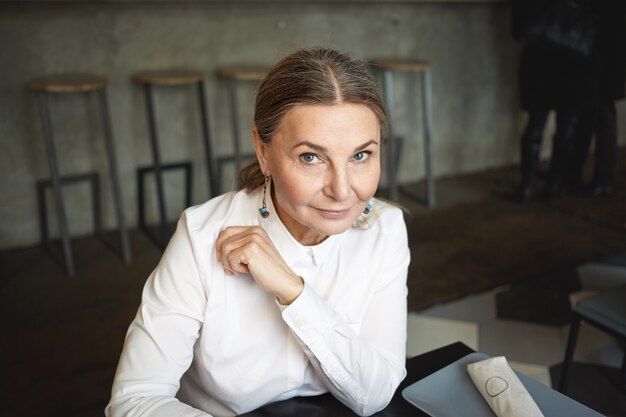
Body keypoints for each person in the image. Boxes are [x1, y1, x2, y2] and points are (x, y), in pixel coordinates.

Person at [105, 47, 410, 417]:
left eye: (361, 156)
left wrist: (293, 291)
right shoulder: (201, 234)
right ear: (263, 151)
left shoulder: (385, 229)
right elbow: (135, 400)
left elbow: (375, 392)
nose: (343, 190)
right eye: (311, 157)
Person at [511, 0, 597, 203]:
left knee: (535, 123)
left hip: (539, 56)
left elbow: (518, 29)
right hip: (572, 59)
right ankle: (555, 185)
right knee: (566, 125)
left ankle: (528, 185)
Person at [565, 1, 626, 196]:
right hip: (602, 56)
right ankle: (577, 173)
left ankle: (602, 180)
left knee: (601, 114)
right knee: (591, 112)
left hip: (604, 57)